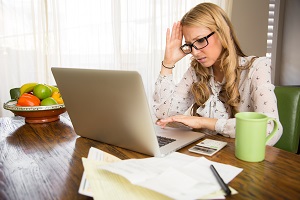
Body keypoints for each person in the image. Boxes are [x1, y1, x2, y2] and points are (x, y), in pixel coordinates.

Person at [153, 2, 282, 146]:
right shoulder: (196, 71)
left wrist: (205, 122)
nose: (195, 52)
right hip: (206, 156)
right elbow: (164, 116)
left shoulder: (257, 68)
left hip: (243, 160)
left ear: (223, 32)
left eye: (201, 40)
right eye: (189, 45)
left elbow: (271, 130)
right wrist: (168, 62)